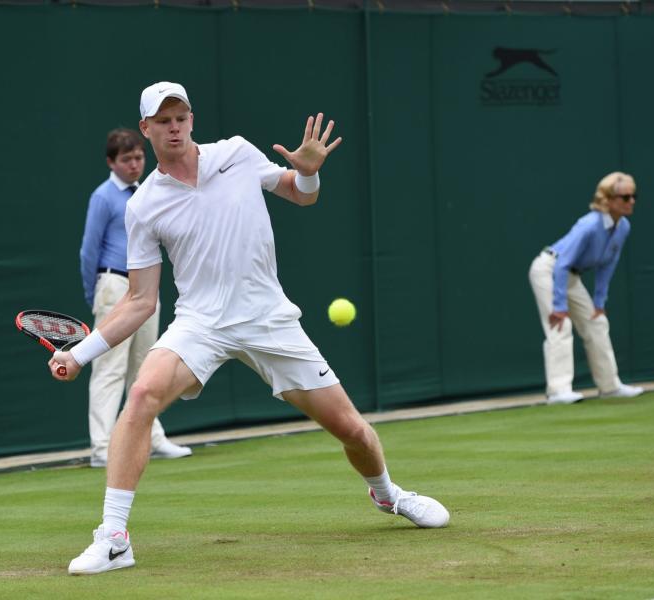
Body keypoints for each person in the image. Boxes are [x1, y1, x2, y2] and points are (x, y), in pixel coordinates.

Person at [51, 82, 450, 576]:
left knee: (352, 430)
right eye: (163, 120)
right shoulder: (143, 205)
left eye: (181, 117)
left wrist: (307, 174)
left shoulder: (236, 153)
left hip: (268, 318)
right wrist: (80, 353)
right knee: (140, 397)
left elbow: (300, 196)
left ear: (192, 120)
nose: (174, 126)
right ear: (146, 129)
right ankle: (113, 538)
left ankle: (389, 495)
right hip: (201, 324)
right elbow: (140, 301)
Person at [79, 127, 192, 468]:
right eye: (126, 159)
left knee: (146, 367)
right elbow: (88, 249)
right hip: (114, 287)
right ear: (111, 163)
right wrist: (95, 293)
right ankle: (101, 448)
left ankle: (153, 438)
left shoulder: (147, 192)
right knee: (109, 369)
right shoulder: (102, 197)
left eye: (139, 157)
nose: (134, 165)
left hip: (145, 289)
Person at [528, 171, 645, 405]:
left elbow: (607, 265)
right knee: (560, 324)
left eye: (634, 196)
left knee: (596, 323)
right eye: (625, 197)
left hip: (570, 276)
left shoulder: (623, 227)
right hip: (548, 269)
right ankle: (558, 391)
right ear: (608, 200)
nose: (631, 201)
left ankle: (610, 386)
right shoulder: (589, 225)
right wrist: (559, 306)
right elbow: (562, 263)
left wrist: (599, 302)